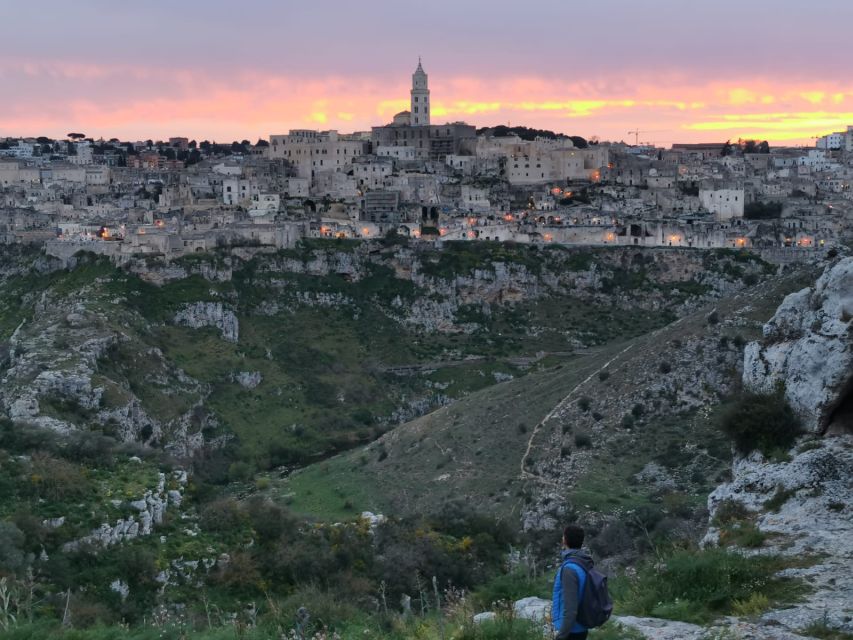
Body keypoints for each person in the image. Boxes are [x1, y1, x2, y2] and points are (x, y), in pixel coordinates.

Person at [552, 524, 594, 640]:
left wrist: (561, 636)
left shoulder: (569, 568)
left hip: (571, 631)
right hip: (581, 627)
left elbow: (570, 609)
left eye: (563, 536)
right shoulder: (584, 563)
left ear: (565, 540)